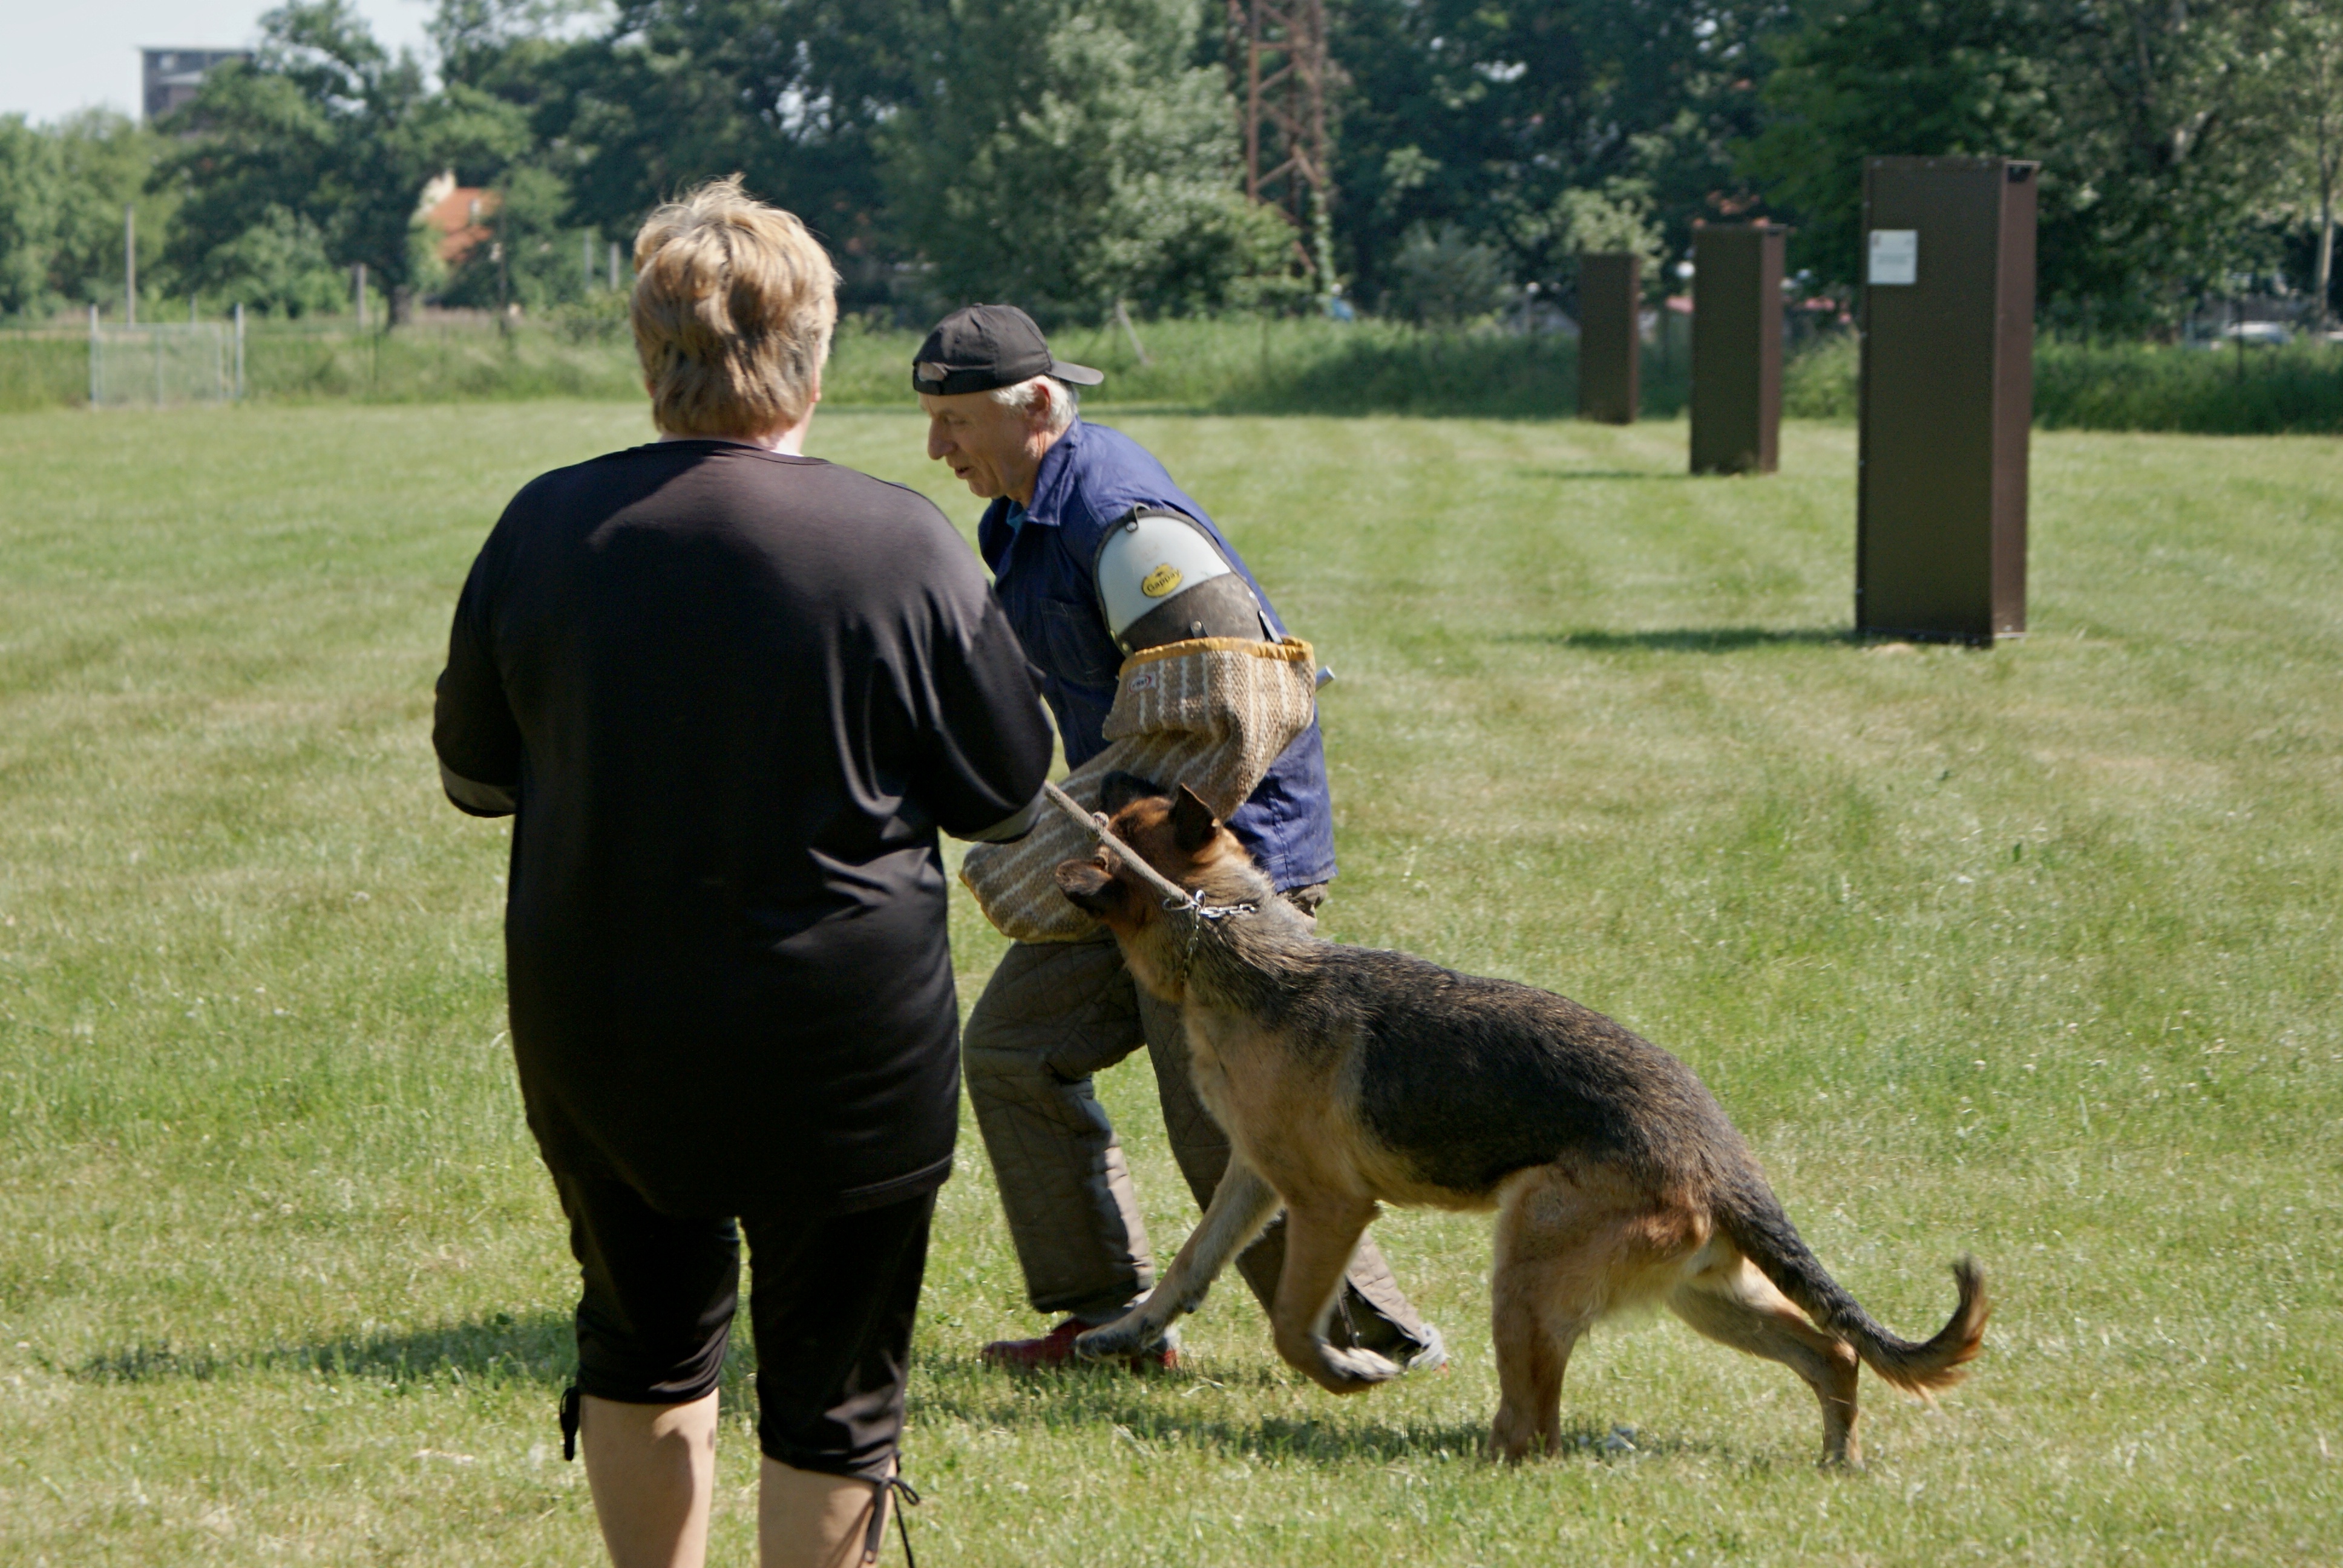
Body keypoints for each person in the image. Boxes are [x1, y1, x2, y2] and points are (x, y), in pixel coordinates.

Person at [432, 185, 1053, 1568]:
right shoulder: (899, 541)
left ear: (651, 357)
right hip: (845, 1032)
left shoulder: (543, 527)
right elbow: (1005, 794)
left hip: (603, 1018)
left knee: (640, 1339)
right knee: (837, 1388)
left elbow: (474, 776)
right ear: (815, 359)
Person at [914, 304, 1446, 1373]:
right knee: (1015, 1049)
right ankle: (1103, 1323)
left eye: (957, 421)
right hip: (1133, 872)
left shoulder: (1126, 526)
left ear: (1039, 406)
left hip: (1222, 867)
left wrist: (1080, 857)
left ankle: (1372, 1338)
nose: (938, 449)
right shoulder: (1019, 516)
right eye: (930, 421)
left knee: (1222, 1112)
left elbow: (1228, 717)